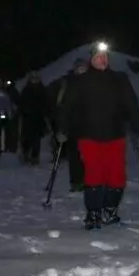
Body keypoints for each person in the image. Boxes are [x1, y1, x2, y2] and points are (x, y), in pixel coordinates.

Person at [56, 43, 139, 229]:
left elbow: (131, 103)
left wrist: (137, 127)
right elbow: (67, 107)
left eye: (105, 56)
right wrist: (62, 128)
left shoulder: (119, 79)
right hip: (88, 135)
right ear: (91, 60)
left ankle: (110, 209)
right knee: (94, 173)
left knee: (117, 176)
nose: (102, 60)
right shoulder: (81, 81)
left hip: (115, 135)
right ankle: (93, 212)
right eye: (98, 57)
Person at [48, 58, 88, 191]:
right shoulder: (69, 83)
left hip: (91, 125)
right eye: (80, 68)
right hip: (74, 125)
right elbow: (64, 108)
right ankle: (77, 182)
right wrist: (62, 128)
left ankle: (90, 181)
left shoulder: (93, 82)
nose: (82, 70)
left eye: (84, 68)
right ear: (75, 69)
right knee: (75, 155)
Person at [19, 71, 50, 165]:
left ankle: (35, 157)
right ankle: (25, 153)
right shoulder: (26, 89)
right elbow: (22, 102)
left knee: (36, 139)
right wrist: (24, 109)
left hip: (38, 117)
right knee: (27, 137)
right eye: (33, 78)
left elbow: (46, 102)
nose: (34, 80)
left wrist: (45, 111)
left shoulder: (42, 89)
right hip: (28, 117)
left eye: (36, 78)